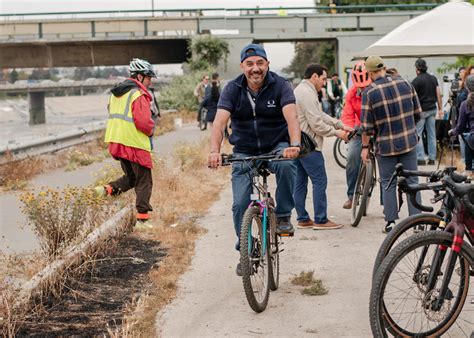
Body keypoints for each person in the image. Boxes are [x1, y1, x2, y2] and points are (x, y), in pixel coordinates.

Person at [208, 43, 301, 276]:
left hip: (276, 145)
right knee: (240, 204)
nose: (255, 68)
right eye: (249, 64)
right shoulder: (232, 89)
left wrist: (295, 145)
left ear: (267, 64)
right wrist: (214, 151)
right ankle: (246, 249)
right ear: (242, 67)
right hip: (244, 150)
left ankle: (282, 215)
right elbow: (219, 123)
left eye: (260, 63)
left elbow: (292, 119)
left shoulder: (281, 85)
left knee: (287, 164)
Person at [360, 55, 422, 234]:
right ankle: (417, 221)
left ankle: (391, 222)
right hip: (408, 142)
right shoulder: (404, 83)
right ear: (384, 68)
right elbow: (417, 113)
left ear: (370, 73)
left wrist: (365, 148)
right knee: (413, 180)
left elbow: (367, 127)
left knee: (388, 182)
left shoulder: (369, 93)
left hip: (385, 146)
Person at [95, 58, 157, 229]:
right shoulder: (138, 94)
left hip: (117, 142)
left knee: (131, 178)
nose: (150, 81)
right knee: (144, 181)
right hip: (134, 143)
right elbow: (143, 122)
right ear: (139, 76)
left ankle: (105, 190)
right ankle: (142, 220)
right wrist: (151, 130)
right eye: (148, 77)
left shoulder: (117, 93)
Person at [293, 63, 350, 230]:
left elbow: (319, 114)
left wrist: (339, 124)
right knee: (320, 181)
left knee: (300, 182)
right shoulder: (306, 93)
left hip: (299, 143)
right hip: (309, 145)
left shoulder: (303, 91)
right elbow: (317, 124)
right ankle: (321, 219)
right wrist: (336, 133)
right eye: (323, 79)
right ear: (314, 76)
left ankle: (303, 218)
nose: (324, 83)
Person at [340, 61, 372, 209]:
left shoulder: (377, 90)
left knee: (387, 163)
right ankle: (351, 195)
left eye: (365, 86)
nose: (363, 89)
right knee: (352, 158)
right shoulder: (351, 94)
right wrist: (349, 130)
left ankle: (387, 202)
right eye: (360, 87)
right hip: (359, 130)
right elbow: (347, 115)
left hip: (378, 129)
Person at [412, 58, 443, 166]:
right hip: (432, 109)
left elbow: (412, 97)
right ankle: (432, 158)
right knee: (431, 134)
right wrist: (440, 109)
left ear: (417, 69)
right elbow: (438, 93)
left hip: (421, 111)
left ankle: (420, 158)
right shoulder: (433, 78)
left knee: (418, 134)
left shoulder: (416, 81)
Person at [449, 75, 474, 175]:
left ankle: (468, 170)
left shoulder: (465, 104)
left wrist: (452, 131)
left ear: (467, 87)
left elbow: (460, 128)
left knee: (469, 139)